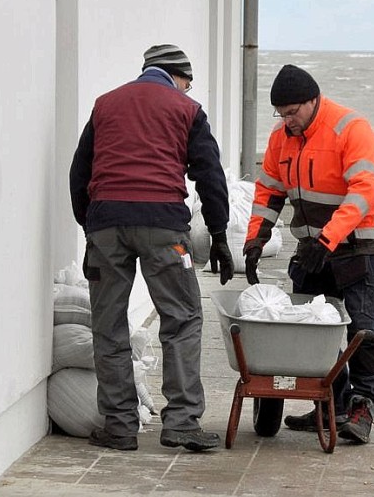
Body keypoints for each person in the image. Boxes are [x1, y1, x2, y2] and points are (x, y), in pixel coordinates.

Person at [69, 44, 234, 452]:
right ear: (178, 76)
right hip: (164, 228)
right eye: (189, 83)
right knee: (181, 319)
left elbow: (80, 170)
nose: (188, 90)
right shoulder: (186, 109)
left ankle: (120, 426)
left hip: (106, 225)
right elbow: (210, 176)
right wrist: (219, 235)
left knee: (108, 325)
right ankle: (180, 423)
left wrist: (90, 224)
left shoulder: (106, 104)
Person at [243, 64, 374, 444]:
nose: (287, 121)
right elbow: (269, 191)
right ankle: (332, 404)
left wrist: (327, 241)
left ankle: (362, 407)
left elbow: (363, 193)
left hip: (360, 244)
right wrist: (254, 240)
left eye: (293, 112)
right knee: (310, 327)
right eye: (281, 114)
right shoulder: (282, 136)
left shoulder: (350, 129)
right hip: (316, 247)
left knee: (363, 328)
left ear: (314, 101)